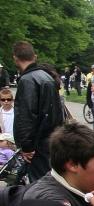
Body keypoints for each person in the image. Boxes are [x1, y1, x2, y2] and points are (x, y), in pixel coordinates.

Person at [12, 41, 64, 182]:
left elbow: (27, 115)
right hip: (51, 138)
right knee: (50, 178)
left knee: (40, 182)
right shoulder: (46, 76)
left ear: (15, 58)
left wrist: (27, 146)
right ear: (34, 57)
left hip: (38, 142)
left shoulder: (28, 80)